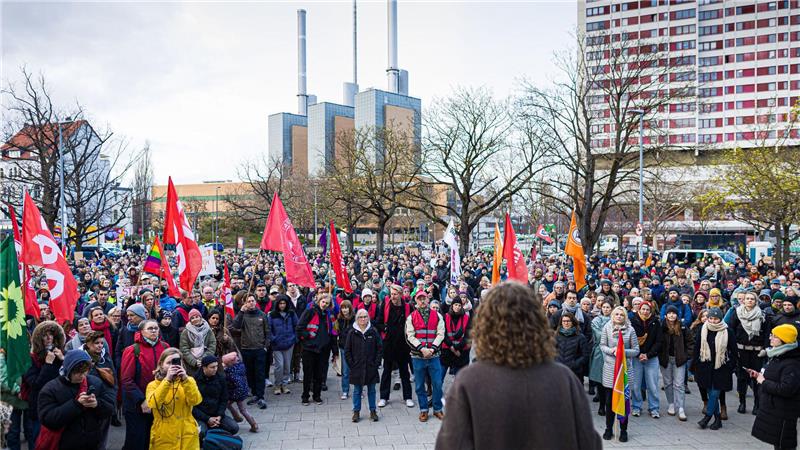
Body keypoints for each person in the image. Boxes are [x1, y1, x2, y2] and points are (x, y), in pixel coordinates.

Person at [435, 282, 602, 450]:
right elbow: (589, 442)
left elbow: (450, 444)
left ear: (486, 325)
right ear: (537, 322)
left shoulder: (469, 381)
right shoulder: (564, 379)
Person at [36, 350, 115, 450]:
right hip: (64, 444)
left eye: (85, 371)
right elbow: (48, 420)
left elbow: (110, 409)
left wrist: (97, 404)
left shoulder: (95, 382)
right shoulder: (51, 389)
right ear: (68, 370)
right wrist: (76, 404)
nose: (82, 376)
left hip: (92, 443)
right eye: (78, 372)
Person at [9, 321, 65, 450]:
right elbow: (35, 383)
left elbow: (68, 378)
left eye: (51, 334)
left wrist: (63, 360)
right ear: (39, 338)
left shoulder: (59, 355)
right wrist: (48, 364)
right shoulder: (30, 358)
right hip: (37, 405)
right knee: (35, 438)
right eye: (45, 335)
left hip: (56, 404)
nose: (49, 338)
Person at [119, 319, 169, 450]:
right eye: (150, 328)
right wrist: (142, 400)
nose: (154, 331)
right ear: (141, 332)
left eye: (156, 328)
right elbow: (126, 380)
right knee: (137, 440)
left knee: (155, 439)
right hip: (137, 405)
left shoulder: (165, 348)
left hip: (160, 402)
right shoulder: (132, 350)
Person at [750, 324, 800, 450]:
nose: (770, 338)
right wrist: (758, 375)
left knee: (784, 444)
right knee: (777, 443)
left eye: (775, 336)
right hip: (774, 409)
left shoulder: (792, 363)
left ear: (784, 340)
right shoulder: (777, 354)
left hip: (783, 411)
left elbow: (786, 389)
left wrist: (763, 382)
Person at [146, 348, 202, 449]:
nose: (173, 366)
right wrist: (167, 380)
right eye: (169, 363)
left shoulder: (189, 381)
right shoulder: (153, 385)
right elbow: (153, 404)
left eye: (176, 362)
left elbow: (195, 400)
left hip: (187, 432)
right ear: (161, 365)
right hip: (164, 434)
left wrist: (185, 380)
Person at [692, 307, 737, 431]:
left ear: (721, 319)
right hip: (705, 366)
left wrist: (730, 366)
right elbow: (697, 348)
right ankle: (717, 420)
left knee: (714, 393)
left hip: (721, 367)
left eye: (716, 319)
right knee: (710, 393)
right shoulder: (703, 329)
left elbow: (734, 351)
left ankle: (707, 418)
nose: (712, 321)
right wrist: (696, 364)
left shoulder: (728, 331)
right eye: (710, 318)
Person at [600, 306, 640, 442]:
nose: (618, 316)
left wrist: (623, 352)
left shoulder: (630, 330)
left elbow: (636, 350)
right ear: (612, 316)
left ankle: (623, 430)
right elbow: (602, 345)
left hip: (624, 370)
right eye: (616, 314)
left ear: (625, 317)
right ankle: (608, 428)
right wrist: (612, 351)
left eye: (621, 315)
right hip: (610, 369)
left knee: (624, 401)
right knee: (609, 401)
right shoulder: (607, 327)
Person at [405, 290, 445, 422]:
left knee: (438, 384)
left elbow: (441, 334)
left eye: (424, 298)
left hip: (434, 356)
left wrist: (432, 349)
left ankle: (437, 409)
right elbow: (409, 336)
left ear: (428, 300)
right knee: (419, 385)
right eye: (419, 298)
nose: (422, 301)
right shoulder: (411, 317)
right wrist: (422, 349)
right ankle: (423, 410)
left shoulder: (437, 315)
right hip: (418, 357)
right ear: (416, 300)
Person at [726, 291, 767, 415]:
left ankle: (757, 404)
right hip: (741, 351)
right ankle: (742, 403)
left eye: (752, 299)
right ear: (743, 300)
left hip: (757, 352)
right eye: (747, 299)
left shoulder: (762, 316)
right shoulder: (737, 314)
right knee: (742, 378)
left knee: (756, 379)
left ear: (756, 301)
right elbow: (731, 331)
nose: (749, 301)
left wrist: (765, 349)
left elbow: (766, 334)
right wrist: (732, 349)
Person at [232, 293, 271, 410]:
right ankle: (254, 393)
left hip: (259, 349)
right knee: (250, 373)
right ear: (245, 303)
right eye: (248, 301)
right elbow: (236, 325)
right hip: (246, 348)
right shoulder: (243, 315)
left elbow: (267, 331)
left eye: (253, 301)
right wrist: (241, 312)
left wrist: (265, 346)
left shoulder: (262, 315)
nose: (251, 303)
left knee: (260, 373)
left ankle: (260, 395)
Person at [378, 284, 414, 408]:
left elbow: (412, 323)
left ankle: (408, 397)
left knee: (404, 372)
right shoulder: (385, 305)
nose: (392, 296)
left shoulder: (408, 307)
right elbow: (379, 321)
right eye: (391, 294)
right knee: (387, 371)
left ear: (400, 294)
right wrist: (385, 329)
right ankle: (384, 397)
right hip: (389, 343)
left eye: (395, 294)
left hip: (403, 344)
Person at [345, 309, 383, 423]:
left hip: (371, 366)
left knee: (372, 390)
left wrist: (376, 363)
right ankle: (356, 411)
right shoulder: (352, 332)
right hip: (357, 367)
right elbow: (347, 351)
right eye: (361, 317)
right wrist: (352, 364)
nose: (363, 319)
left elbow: (379, 348)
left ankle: (373, 411)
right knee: (357, 390)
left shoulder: (373, 331)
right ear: (357, 318)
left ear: (368, 318)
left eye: (365, 317)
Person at [659, 305, 694, 421]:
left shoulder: (683, 326)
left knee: (679, 384)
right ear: (666, 315)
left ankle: (681, 408)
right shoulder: (662, 326)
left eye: (674, 313)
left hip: (679, 359)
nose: (671, 315)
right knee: (668, 383)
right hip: (666, 359)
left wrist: (686, 356)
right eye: (669, 313)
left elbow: (690, 342)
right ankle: (671, 404)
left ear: (677, 315)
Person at [296, 292, 331, 405]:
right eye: (323, 302)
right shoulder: (310, 311)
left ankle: (317, 395)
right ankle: (305, 396)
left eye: (327, 303)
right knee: (308, 374)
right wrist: (307, 337)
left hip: (322, 349)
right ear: (319, 301)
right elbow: (299, 327)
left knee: (319, 374)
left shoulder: (327, 314)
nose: (325, 304)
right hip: (309, 348)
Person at [630, 300, 662, 418]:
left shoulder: (655, 322)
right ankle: (636, 407)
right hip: (636, 357)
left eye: (647, 309)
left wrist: (648, 355)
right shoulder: (633, 321)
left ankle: (654, 408)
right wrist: (639, 354)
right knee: (635, 385)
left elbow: (659, 341)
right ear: (639, 309)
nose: (645, 311)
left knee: (652, 385)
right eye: (643, 309)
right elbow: (631, 340)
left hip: (651, 357)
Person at [193, 355, 239, 437]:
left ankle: (214, 428)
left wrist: (219, 416)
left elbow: (224, 399)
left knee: (234, 428)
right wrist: (207, 419)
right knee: (200, 433)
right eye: (212, 367)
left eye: (216, 366)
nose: (215, 369)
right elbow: (192, 406)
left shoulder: (220, 378)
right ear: (204, 367)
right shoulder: (194, 380)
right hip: (201, 416)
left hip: (217, 414)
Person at [221, 352, 258, 433]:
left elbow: (236, 383)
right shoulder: (240, 366)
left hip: (236, 393)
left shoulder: (230, 373)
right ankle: (247, 421)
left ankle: (243, 420)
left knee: (233, 406)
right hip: (242, 391)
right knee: (241, 409)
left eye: (225, 364)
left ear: (230, 363)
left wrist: (225, 371)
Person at [269, 296, 298, 395]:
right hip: (277, 344)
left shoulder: (291, 313)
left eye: (284, 303)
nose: (282, 305)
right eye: (280, 303)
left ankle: (284, 384)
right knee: (279, 365)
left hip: (289, 343)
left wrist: (294, 338)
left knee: (287, 366)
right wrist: (273, 339)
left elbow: (296, 326)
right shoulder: (272, 315)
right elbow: (269, 329)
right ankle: (277, 384)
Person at [589, 300, 612, 413]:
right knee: (600, 381)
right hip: (599, 352)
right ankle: (602, 405)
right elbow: (598, 335)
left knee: (610, 382)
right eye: (604, 307)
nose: (606, 309)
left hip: (612, 352)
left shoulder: (615, 319)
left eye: (608, 307)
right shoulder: (596, 320)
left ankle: (610, 405)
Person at [440, 297, 471, 382]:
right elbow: (443, 334)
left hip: (460, 351)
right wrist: (452, 348)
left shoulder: (466, 318)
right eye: (455, 305)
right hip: (447, 350)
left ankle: (458, 395)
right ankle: (438, 395)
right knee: (439, 378)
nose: (457, 307)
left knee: (459, 381)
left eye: (459, 305)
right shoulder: (445, 317)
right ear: (452, 306)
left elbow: (468, 336)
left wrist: (457, 347)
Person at [555, 312, 591, 380]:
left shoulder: (580, 337)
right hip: (559, 369)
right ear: (561, 322)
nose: (566, 323)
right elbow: (552, 351)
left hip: (575, 371)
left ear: (573, 322)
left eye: (568, 321)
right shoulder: (556, 335)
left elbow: (585, 355)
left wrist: (575, 364)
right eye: (564, 321)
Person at [334, 300, 355, 400]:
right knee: (345, 371)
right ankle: (345, 390)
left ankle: (358, 389)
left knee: (356, 370)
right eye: (342, 308)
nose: (344, 310)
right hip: (343, 347)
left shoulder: (355, 319)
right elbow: (336, 333)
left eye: (346, 307)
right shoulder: (338, 319)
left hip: (355, 347)